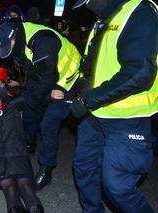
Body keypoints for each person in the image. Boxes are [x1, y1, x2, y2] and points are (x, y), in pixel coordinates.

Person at [69, 0, 158, 212]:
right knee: (84, 170)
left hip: (128, 119)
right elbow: (91, 69)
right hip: (94, 115)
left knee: (117, 185)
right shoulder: (102, 20)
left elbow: (140, 73)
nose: (87, 4)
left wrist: (88, 100)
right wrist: (74, 94)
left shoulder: (139, 11)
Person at [0, 20, 81, 189]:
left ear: (14, 36)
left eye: (9, 46)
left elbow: (48, 79)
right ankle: (29, 143)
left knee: (49, 120)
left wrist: (54, 89)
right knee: (29, 108)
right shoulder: (22, 37)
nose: (10, 51)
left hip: (68, 80)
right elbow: (33, 72)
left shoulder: (42, 41)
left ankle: (46, 167)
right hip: (47, 75)